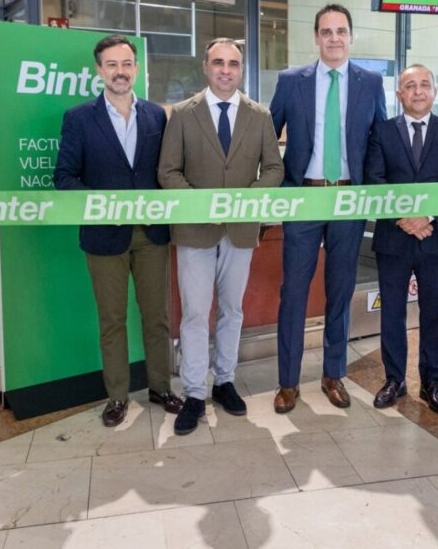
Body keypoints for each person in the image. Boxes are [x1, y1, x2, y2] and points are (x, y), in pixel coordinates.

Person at [53, 34, 183, 428]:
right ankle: (117, 396)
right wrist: (102, 204)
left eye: (126, 64)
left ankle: (161, 387)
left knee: (157, 317)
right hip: (104, 235)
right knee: (112, 319)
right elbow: (64, 177)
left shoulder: (156, 117)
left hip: (151, 234)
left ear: (136, 68)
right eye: (111, 65)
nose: (120, 72)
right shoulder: (78, 118)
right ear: (99, 71)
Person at [158, 38, 284, 435]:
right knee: (195, 314)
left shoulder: (260, 116)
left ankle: (224, 382)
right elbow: (168, 171)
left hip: (241, 231)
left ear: (241, 69)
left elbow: (275, 169)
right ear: (205, 67)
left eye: (233, 63)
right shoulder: (182, 114)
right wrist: (201, 204)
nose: (225, 69)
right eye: (218, 62)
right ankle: (195, 392)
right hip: (196, 229)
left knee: (232, 310)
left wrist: (249, 200)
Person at [269, 4, 387, 414]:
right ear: (316, 37)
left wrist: (370, 192)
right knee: (294, 293)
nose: (334, 38)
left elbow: (379, 140)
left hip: (349, 198)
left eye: (341, 31)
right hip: (304, 195)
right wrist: (277, 189)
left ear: (351, 37)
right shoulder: (291, 82)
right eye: (326, 31)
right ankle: (288, 382)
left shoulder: (370, 82)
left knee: (340, 290)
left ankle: (333, 375)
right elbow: (269, 137)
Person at [365, 64, 438, 415]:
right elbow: (375, 179)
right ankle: (394, 379)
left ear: (435, 92)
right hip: (393, 238)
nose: (418, 91)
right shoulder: (381, 132)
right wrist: (404, 219)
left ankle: (432, 382)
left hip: (435, 238)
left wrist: (427, 217)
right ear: (399, 95)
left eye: (425, 84)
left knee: (435, 312)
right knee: (391, 312)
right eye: (410, 86)